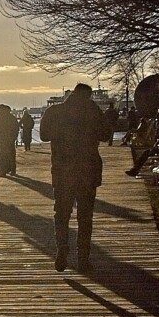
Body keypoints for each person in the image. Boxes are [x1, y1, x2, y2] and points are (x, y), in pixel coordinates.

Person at [38, 82, 112, 272]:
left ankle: (62, 249)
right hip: (87, 170)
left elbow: (44, 135)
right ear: (88, 96)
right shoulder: (92, 112)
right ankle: (83, 258)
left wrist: (62, 134)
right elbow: (106, 134)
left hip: (62, 170)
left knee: (61, 214)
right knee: (85, 217)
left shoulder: (54, 111)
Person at [0, 104, 19, 176]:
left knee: (3, 156)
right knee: (8, 155)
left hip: (5, 140)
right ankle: (8, 170)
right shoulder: (12, 118)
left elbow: (15, 129)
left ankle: (4, 170)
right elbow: (16, 129)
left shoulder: (0, 119)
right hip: (6, 140)